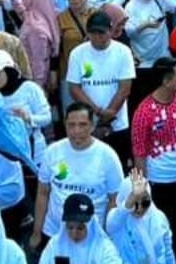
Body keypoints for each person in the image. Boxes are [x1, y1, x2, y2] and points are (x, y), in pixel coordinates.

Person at [131, 56, 176, 259]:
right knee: (163, 230)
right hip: (160, 182)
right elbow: (139, 153)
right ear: (166, 80)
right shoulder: (143, 112)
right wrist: (143, 188)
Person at [29, 103, 124, 252]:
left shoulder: (108, 156)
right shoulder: (52, 152)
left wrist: (107, 235)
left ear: (92, 126)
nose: (76, 131)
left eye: (82, 125)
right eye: (71, 125)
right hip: (54, 234)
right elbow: (42, 193)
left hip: (92, 237)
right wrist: (36, 232)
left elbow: (115, 200)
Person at [65, 10, 134, 157]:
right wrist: (96, 111)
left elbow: (125, 88)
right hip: (88, 123)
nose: (97, 37)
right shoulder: (77, 53)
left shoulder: (123, 52)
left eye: (101, 33)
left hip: (118, 122)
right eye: (93, 33)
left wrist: (110, 112)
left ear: (111, 31)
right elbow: (74, 88)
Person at [0, 49, 51, 160]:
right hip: (5, 157)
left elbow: (47, 118)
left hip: (35, 155)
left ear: (8, 71)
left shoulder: (29, 88)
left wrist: (28, 118)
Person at [105, 170, 176, 264]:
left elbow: (168, 252)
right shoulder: (118, 222)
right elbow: (111, 225)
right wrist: (133, 196)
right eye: (134, 203)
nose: (139, 209)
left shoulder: (159, 218)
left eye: (145, 203)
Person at [38, 194, 122, 264]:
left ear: (91, 226)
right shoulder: (55, 245)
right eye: (70, 228)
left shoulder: (104, 249)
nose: (74, 233)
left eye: (80, 228)